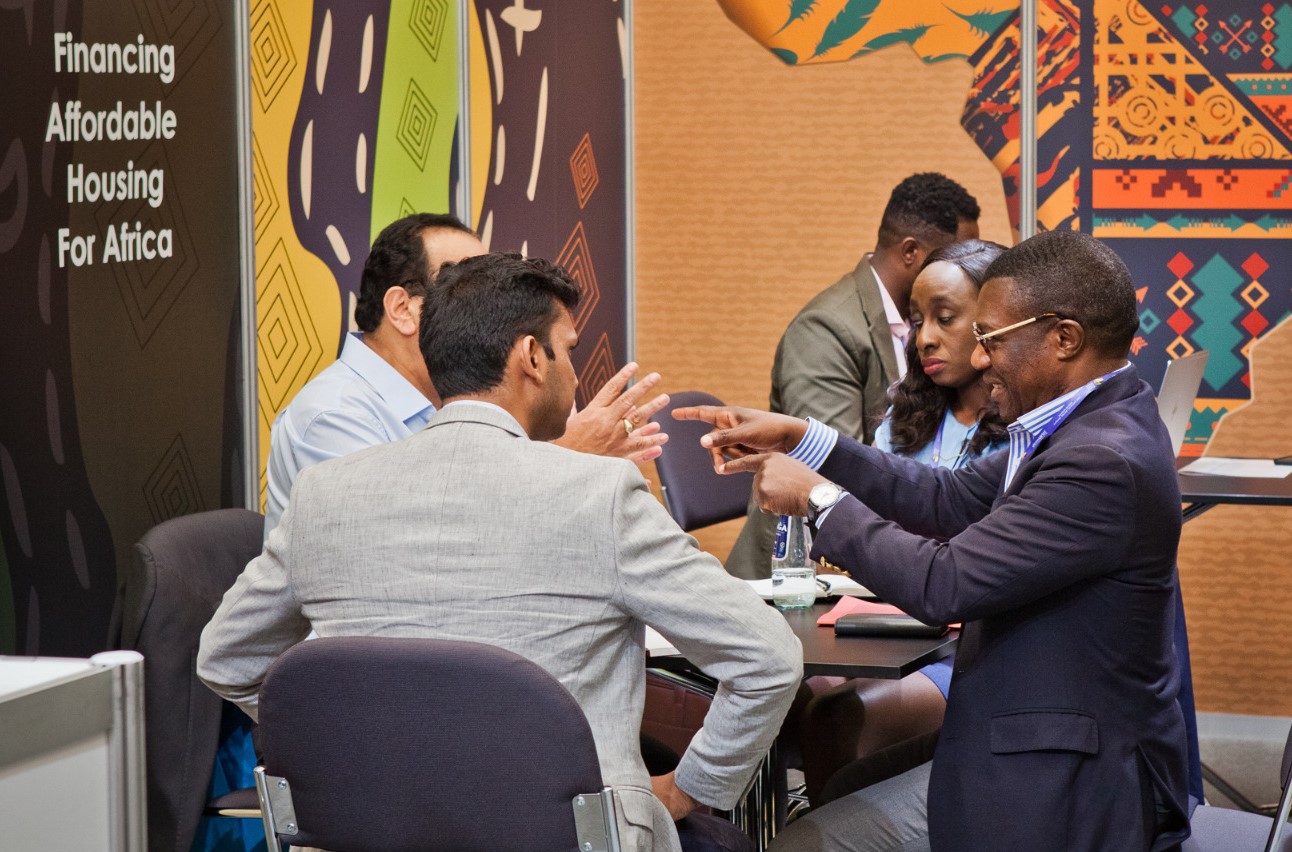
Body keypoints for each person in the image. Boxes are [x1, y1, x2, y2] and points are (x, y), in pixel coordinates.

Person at [198, 253, 804, 852]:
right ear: (532, 358)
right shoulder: (600, 494)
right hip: (569, 837)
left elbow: (225, 656)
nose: (574, 375)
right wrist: (686, 790)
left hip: (366, 834)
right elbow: (769, 658)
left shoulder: (324, 495)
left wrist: (340, 750)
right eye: (567, 350)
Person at [677, 230, 1190, 851]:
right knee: (841, 786)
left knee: (802, 843)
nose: (978, 360)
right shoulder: (1091, 421)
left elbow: (944, 584)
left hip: (1065, 779)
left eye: (991, 339)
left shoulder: (1100, 460)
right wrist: (801, 438)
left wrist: (815, 497)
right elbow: (943, 500)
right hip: (1028, 731)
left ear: (1064, 339)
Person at [264, 213, 669, 534]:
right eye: (454, 284)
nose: (480, 300)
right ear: (402, 309)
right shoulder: (330, 416)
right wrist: (564, 460)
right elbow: (406, 539)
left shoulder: (463, 396)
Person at [798, 239, 1008, 805]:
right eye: (917, 322)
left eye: (945, 318)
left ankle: (836, 831)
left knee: (839, 716)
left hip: (961, 644)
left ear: (996, 324)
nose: (926, 338)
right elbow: (862, 523)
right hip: (885, 616)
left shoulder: (1023, 431)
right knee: (802, 691)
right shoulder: (906, 414)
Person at [726, 174, 981, 579]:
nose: (965, 272)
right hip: (800, 577)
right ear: (912, 252)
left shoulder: (933, 340)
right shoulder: (826, 330)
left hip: (887, 554)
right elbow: (833, 468)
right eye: (956, 255)